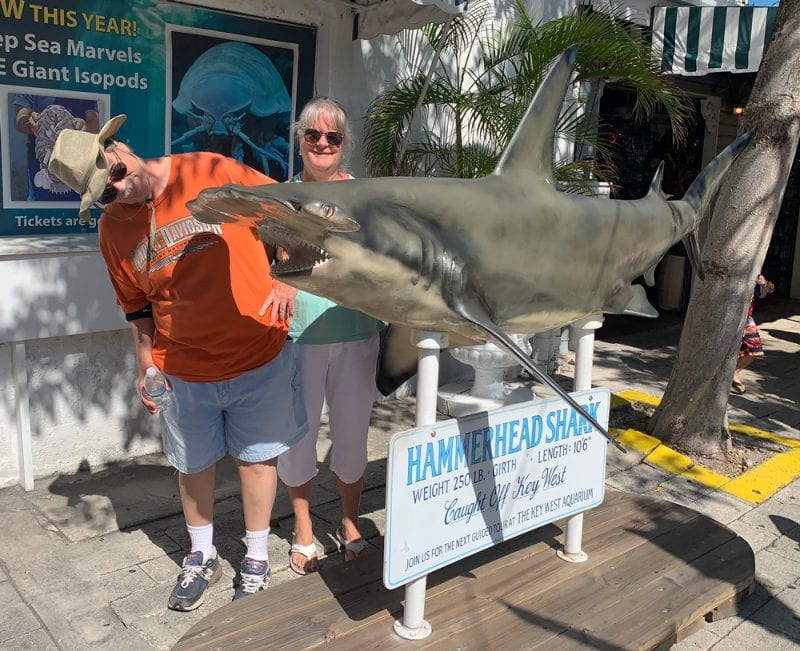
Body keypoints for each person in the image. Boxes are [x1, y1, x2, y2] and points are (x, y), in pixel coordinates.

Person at [47, 115, 307, 611]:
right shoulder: (112, 230)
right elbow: (136, 306)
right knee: (194, 466)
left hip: (258, 353)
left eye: (116, 174)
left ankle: (255, 555)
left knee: (258, 460)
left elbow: (289, 212)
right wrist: (146, 361)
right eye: (104, 193)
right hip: (183, 369)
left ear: (118, 146)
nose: (119, 191)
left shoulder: (209, 169)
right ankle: (202, 554)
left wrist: (291, 273)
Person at [274, 97, 385, 575]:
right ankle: (302, 528)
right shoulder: (278, 194)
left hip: (358, 329)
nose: (322, 143)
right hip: (299, 333)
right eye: (313, 135)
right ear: (299, 139)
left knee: (352, 433)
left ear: (344, 145)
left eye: (332, 137)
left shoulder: (365, 196)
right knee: (296, 435)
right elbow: (264, 259)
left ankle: (349, 521)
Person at [13, 94, 100, 201]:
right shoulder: (28, 83)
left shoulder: (83, 87)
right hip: (41, 165)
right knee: (38, 210)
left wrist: (84, 126)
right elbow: (21, 119)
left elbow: (95, 123)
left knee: (76, 210)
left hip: (75, 166)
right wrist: (30, 122)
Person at [732, 274, 774, 395]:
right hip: (726, 318)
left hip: (746, 319)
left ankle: (734, 374)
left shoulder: (753, 273)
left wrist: (763, 283)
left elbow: (762, 294)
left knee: (755, 349)